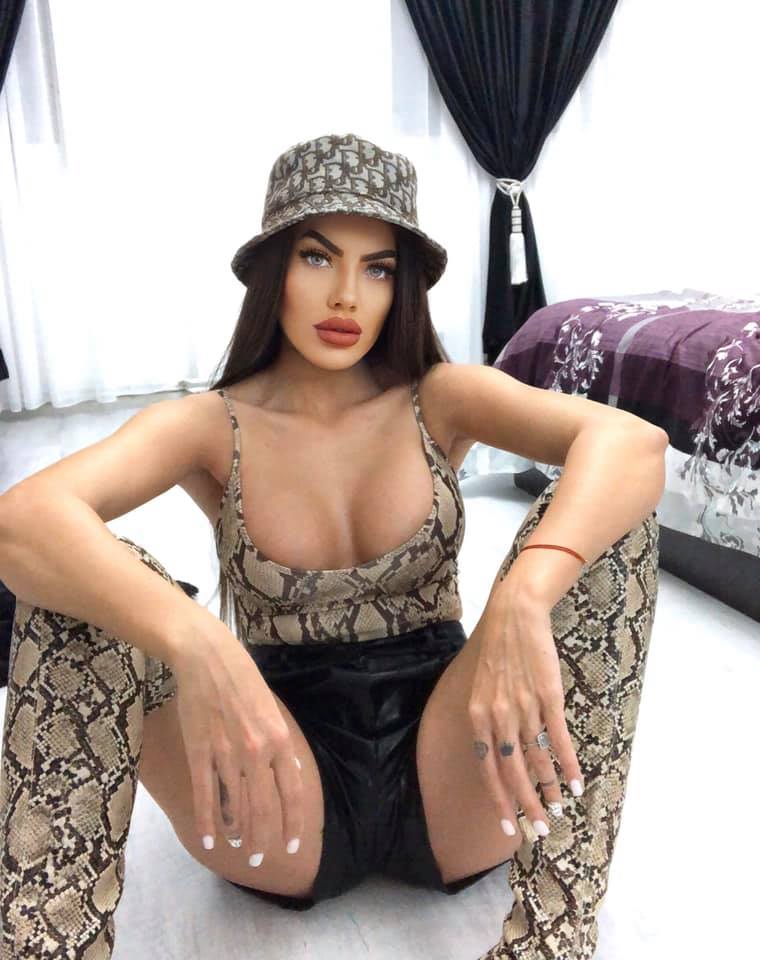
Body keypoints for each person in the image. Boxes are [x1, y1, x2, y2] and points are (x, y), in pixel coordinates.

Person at [0, 132, 664, 960]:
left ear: (401, 287)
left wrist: (523, 596)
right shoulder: (212, 424)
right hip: (278, 783)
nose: (347, 295)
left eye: (377, 269)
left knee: (606, 527)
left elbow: (632, 445)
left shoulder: (438, 398)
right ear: (274, 270)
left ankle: (552, 943)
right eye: (317, 258)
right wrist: (197, 639)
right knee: (83, 590)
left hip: (459, 770)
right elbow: (23, 521)